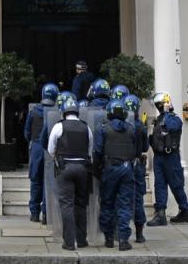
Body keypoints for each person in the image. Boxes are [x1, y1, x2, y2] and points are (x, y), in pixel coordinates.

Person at [47, 96, 93, 251]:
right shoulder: (86, 127)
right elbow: (89, 149)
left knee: (67, 205)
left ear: (63, 111)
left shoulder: (58, 127)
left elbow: (51, 149)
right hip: (82, 168)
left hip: (65, 167)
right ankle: (81, 240)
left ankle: (68, 242)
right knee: (81, 204)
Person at [94, 99, 136, 251]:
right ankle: (124, 239)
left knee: (107, 203)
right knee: (125, 205)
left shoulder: (103, 129)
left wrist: (97, 171)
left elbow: (98, 152)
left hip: (110, 168)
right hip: (127, 168)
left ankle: (109, 238)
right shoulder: (131, 129)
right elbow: (136, 150)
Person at [147, 92, 188, 226]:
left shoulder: (174, 118)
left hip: (171, 157)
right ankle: (160, 213)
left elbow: (173, 127)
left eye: (160, 104)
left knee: (176, 184)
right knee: (159, 185)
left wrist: (167, 113)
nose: (158, 107)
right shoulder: (159, 119)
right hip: (159, 157)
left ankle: (185, 211)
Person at [23, 83, 59, 223]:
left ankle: (34, 213)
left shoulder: (34, 111)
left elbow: (26, 132)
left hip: (37, 147)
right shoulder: (57, 111)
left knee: (36, 181)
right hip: (51, 150)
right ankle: (46, 214)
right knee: (48, 182)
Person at [124, 94, 149, 243]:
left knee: (123, 198)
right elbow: (145, 147)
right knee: (138, 199)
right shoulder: (140, 126)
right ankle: (139, 233)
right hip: (138, 164)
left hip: (125, 163)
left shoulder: (124, 126)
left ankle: (122, 231)